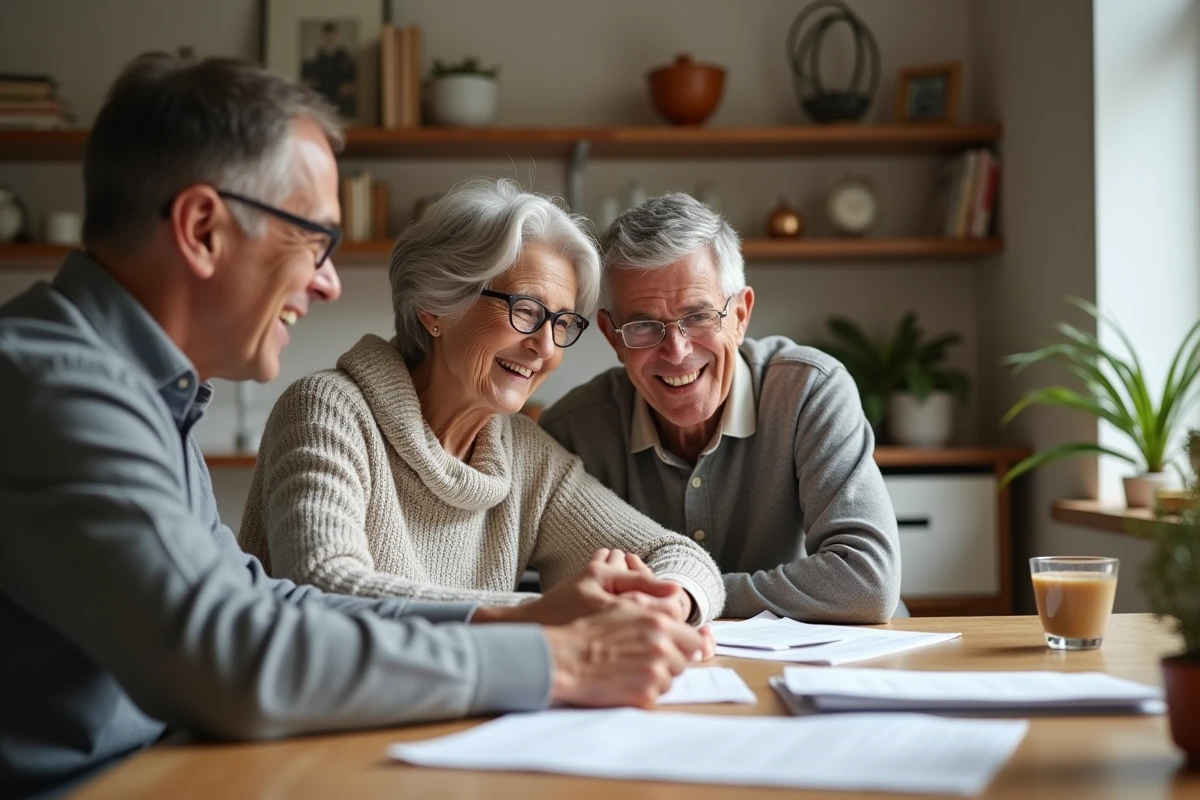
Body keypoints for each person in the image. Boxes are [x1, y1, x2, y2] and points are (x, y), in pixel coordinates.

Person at [0, 55, 704, 800]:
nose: (330, 281)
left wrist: (505, 618)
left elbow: (261, 603)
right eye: (314, 239)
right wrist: (558, 659)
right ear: (203, 228)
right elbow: (232, 658)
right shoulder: (56, 387)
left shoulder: (143, 392)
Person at [238, 179, 726, 626]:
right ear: (435, 306)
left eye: (560, 323)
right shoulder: (328, 411)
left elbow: (676, 555)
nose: (546, 348)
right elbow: (322, 586)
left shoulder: (522, 454)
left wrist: (668, 600)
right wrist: (546, 612)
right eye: (526, 311)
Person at [540, 192, 902, 623]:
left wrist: (688, 598)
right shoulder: (573, 430)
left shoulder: (809, 391)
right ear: (613, 336)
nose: (676, 351)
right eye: (642, 325)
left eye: (698, 317)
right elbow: (582, 601)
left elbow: (867, 584)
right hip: (661, 668)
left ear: (741, 315)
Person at [301, 21, 356, 119]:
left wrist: (347, 85)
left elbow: (349, 71)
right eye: (327, 34)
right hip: (323, 87)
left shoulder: (342, 53)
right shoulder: (318, 53)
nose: (330, 37)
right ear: (324, 35)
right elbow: (313, 72)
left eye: (332, 34)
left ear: (336, 35)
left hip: (338, 89)